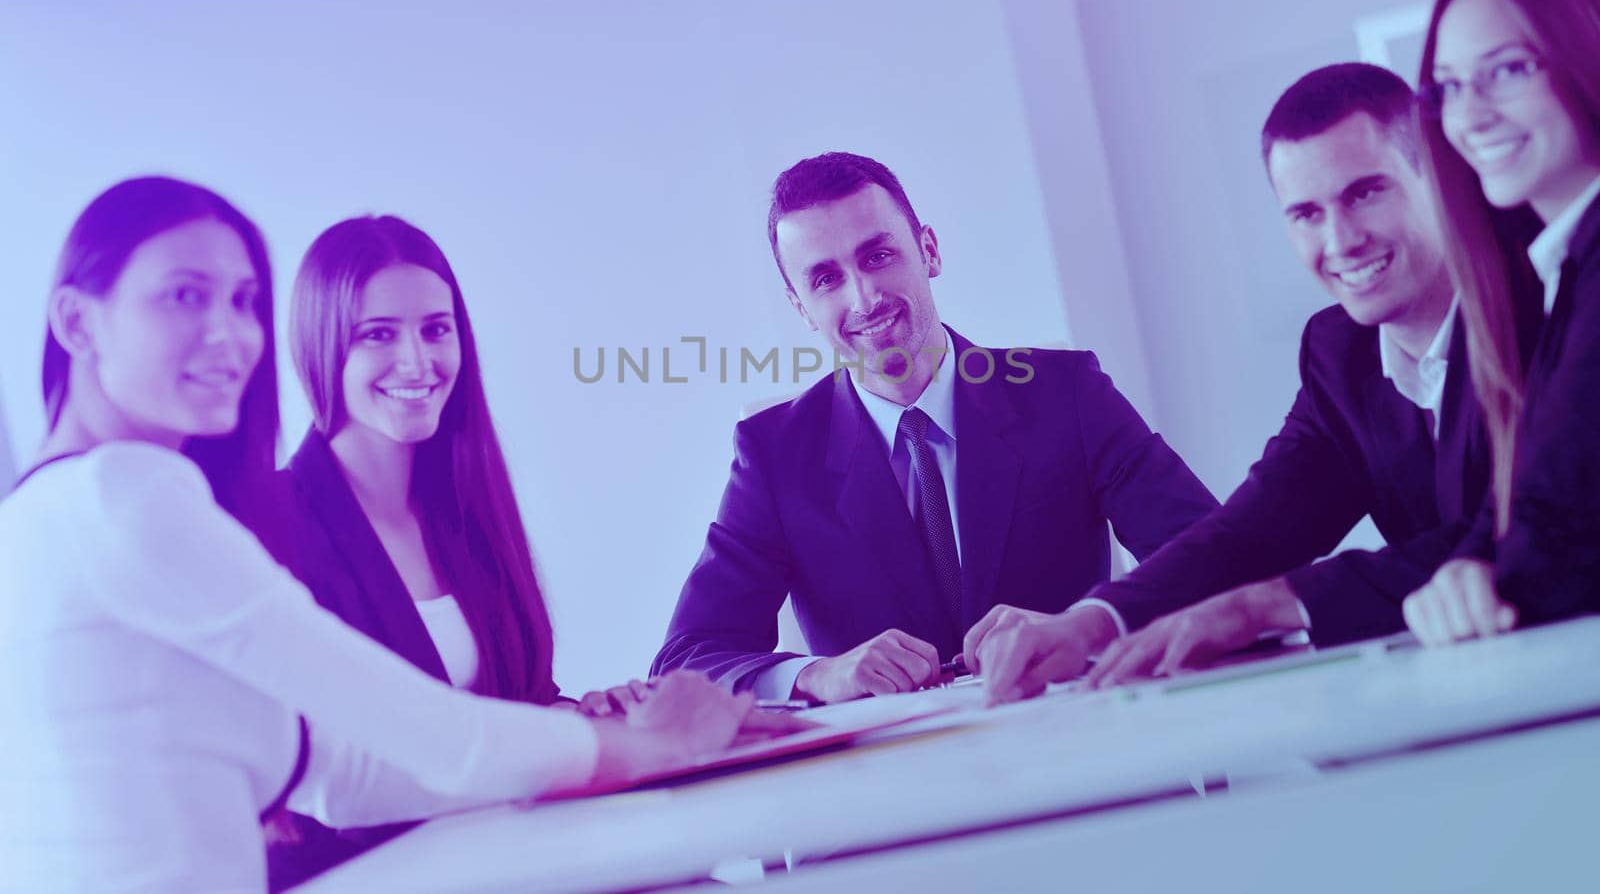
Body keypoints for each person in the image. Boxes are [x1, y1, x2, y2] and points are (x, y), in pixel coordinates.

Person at [0, 177, 751, 894]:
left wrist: (607, 741)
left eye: (243, 300)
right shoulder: (123, 496)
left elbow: (340, 775)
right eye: (185, 296)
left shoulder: (56, 510)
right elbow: (430, 734)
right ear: (76, 321)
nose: (228, 334)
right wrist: (653, 749)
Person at [968, 63, 1540, 702]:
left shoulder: (1547, 307)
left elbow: (1523, 526)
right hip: (1478, 690)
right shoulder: (1339, 350)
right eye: (1305, 213)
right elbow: (1258, 527)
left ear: (1439, 177)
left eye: (1365, 194)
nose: (1340, 240)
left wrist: (1272, 605)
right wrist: (1094, 620)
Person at [651, 152, 1218, 704]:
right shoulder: (774, 454)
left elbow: (1214, 558)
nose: (864, 298)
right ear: (800, 306)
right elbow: (686, 659)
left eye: (877, 257)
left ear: (928, 250)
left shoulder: (1065, 393)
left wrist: (1089, 625)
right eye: (826, 279)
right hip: (902, 784)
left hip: (1085, 745)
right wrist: (817, 675)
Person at [262, 215, 570, 887]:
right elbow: (318, 786)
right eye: (378, 335)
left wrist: (594, 715)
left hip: (513, 860)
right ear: (322, 346)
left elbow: (520, 701)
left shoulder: (463, 506)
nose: (418, 362)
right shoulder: (273, 526)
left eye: (436, 328)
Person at [1402, 0, 1600, 644]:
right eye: (1450, 86)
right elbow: (1525, 508)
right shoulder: (1560, 274)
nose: (1471, 114)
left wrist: (1489, 580)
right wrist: (1465, 571)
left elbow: (1568, 549)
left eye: (1508, 70)